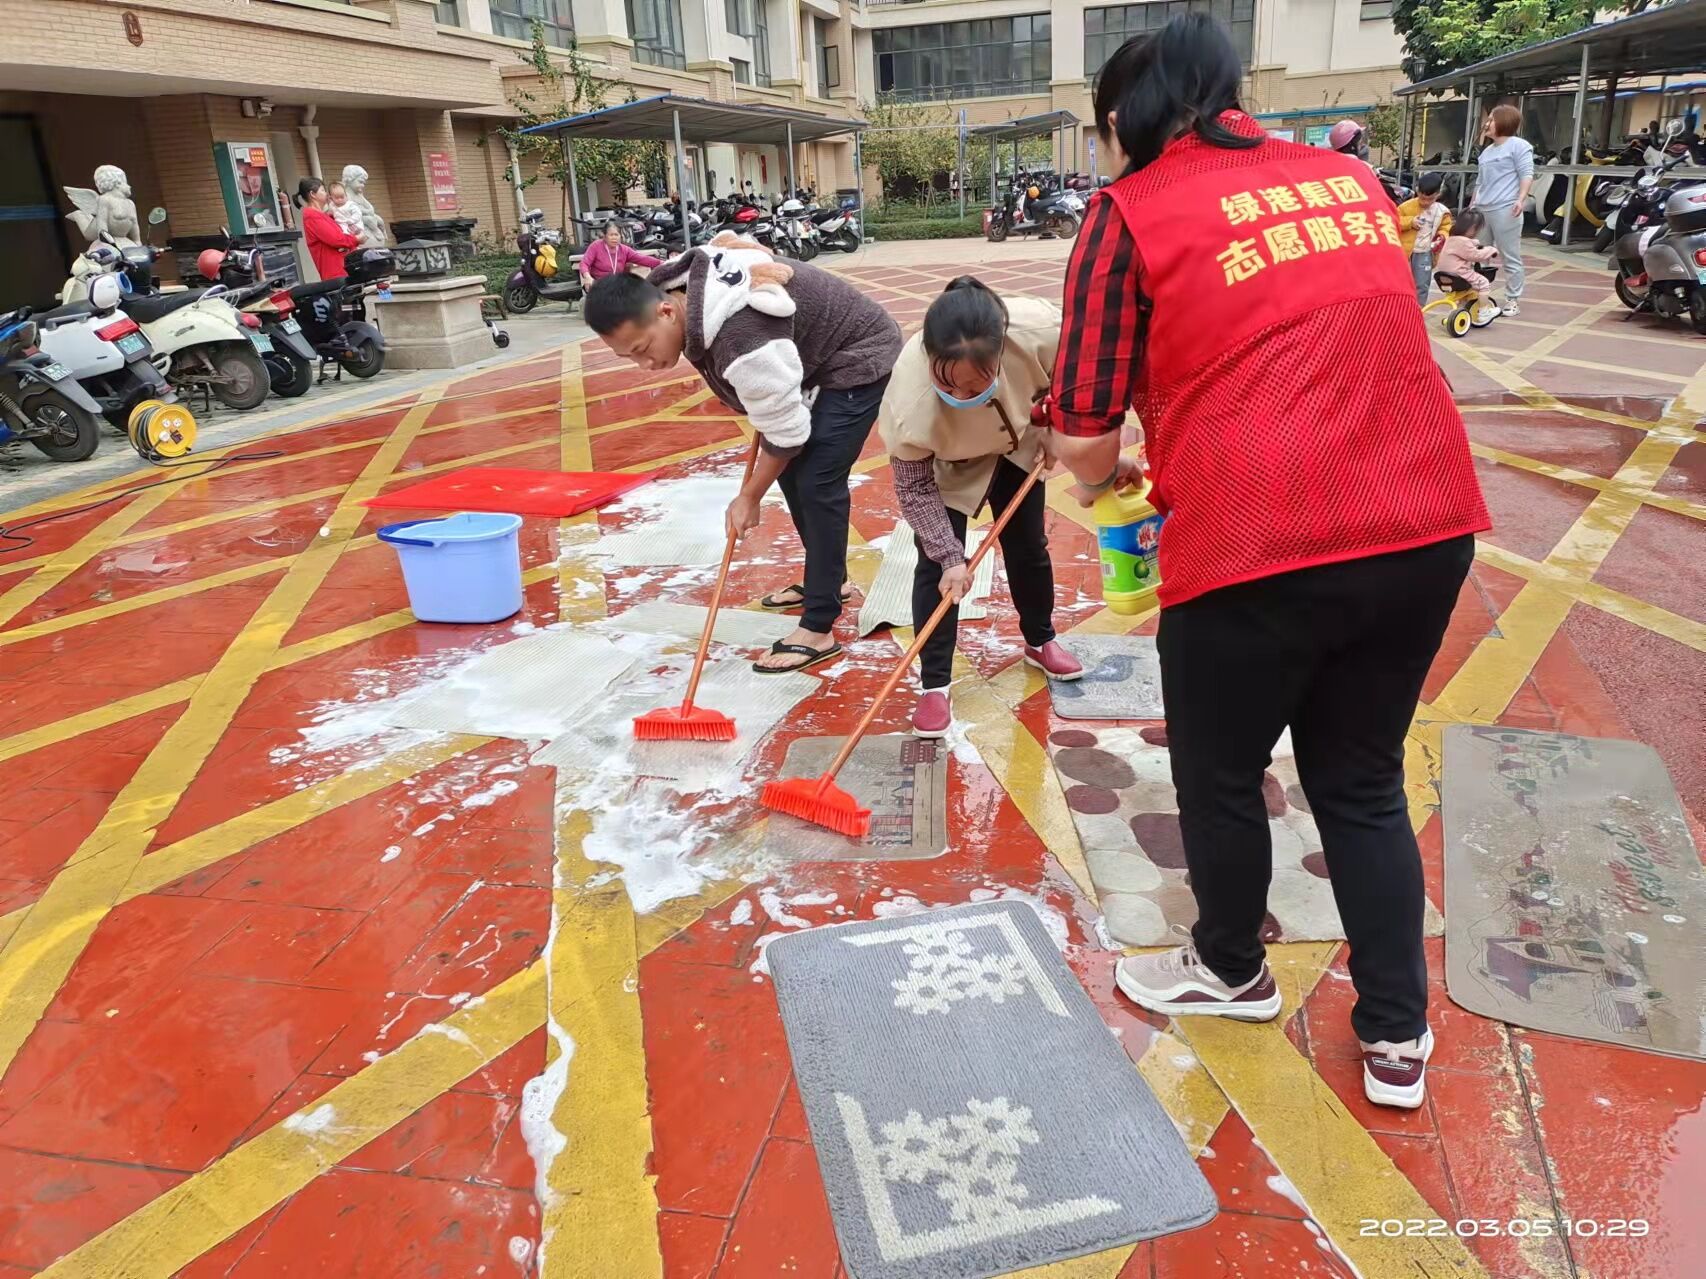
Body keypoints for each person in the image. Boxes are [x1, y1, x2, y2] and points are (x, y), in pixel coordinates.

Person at [1047, 14, 1489, 1110]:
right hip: (1422, 517)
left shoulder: (1126, 212)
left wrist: (1105, 464)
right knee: (1360, 779)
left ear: (1124, 119)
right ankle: (1395, 1035)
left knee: (1219, 772)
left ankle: (1232, 969)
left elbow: (1085, 439)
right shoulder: (1349, 182)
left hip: (1258, 537)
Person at [584, 234, 902, 673]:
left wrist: (748, 497)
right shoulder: (674, 290)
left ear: (666, 311)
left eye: (643, 349)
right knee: (791, 474)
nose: (647, 365)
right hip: (808, 357)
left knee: (817, 482)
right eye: (630, 357)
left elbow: (787, 433)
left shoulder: (742, 337)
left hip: (856, 354)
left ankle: (819, 626)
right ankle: (831, 583)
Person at [878, 278, 1084, 737]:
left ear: (1001, 353)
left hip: (1019, 445)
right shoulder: (908, 406)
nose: (963, 395)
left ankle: (1040, 640)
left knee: (1029, 547)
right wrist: (950, 555)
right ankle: (934, 684)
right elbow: (913, 488)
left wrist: (1057, 425)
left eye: (978, 383)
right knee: (938, 571)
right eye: (949, 383)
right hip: (951, 462)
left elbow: (1078, 378)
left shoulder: (1040, 331)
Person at [1473, 104, 1533, 317]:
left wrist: (1520, 199)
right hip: (1483, 208)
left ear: (1504, 122)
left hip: (1506, 208)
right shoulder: (1487, 152)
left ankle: (1512, 299)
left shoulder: (1519, 146)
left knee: (1510, 255)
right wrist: (1473, 206)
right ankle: (1479, 296)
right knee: (1480, 254)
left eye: (1491, 119)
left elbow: (1526, 173)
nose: (1486, 123)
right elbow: (1480, 182)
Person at [1397, 173, 1453, 306]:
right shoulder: (1406, 207)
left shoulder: (1442, 212)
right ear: (1417, 191)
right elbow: (1393, 221)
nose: (1425, 202)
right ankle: (1401, 308)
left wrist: (1442, 237)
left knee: (1422, 284)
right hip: (1405, 251)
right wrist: (1410, 222)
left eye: (1430, 199)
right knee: (1401, 282)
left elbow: (1446, 228)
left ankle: (1418, 310)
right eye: (1422, 198)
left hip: (1425, 252)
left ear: (1438, 194)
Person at [1436, 208, 1500, 314]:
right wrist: (1491, 250)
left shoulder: (1452, 238)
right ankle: (1484, 312)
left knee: (1466, 290)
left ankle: (1461, 310)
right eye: (1478, 229)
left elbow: (1465, 248)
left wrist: (1475, 243)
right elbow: (1476, 256)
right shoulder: (1464, 242)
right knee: (1483, 283)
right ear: (1473, 228)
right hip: (1459, 275)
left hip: (1445, 275)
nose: (1478, 232)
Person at [295, 178, 358, 282]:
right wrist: (356, 239)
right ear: (312, 194)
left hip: (344, 271)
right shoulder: (312, 216)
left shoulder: (322, 215)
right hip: (336, 274)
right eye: (323, 190)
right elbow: (337, 240)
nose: (327, 194)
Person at [578, 221, 661, 291]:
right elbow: (584, 263)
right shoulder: (596, 246)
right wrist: (587, 277)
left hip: (617, 285)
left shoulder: (624, 249)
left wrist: (662, 263)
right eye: (611, 235)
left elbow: (642, 259)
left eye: (616, 235)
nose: (614, 238)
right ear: (605, 236)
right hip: (598, 285)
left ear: (620, 236)